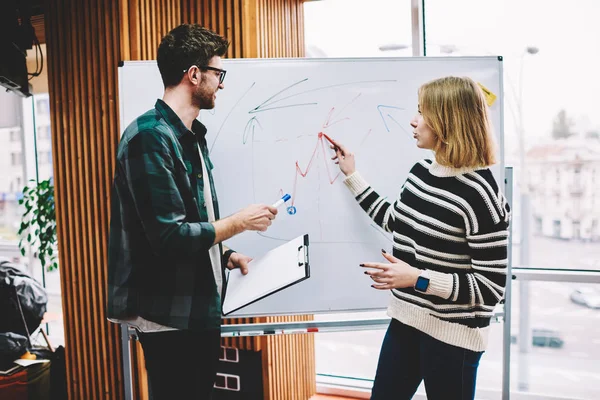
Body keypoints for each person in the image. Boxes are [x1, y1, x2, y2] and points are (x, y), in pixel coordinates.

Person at [106, 24, 278, 399]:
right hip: (169, 315)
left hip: (195, 308)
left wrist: (225, 254)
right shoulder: (149, 138)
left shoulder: (190, 135)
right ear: (194, 74)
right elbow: (168, 237)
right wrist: (237, 223)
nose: (222, 83)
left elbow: (191, 220)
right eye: (219, 73)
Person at [330, 76, 510, 400]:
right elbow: (395, 221)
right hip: (405, 323)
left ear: (447, 120)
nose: (413, 120)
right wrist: (352, 175)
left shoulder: (481, 194)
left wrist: (417, 279)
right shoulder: (420, 173)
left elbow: (491, 288)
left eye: (422, 112)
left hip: (454, 340)